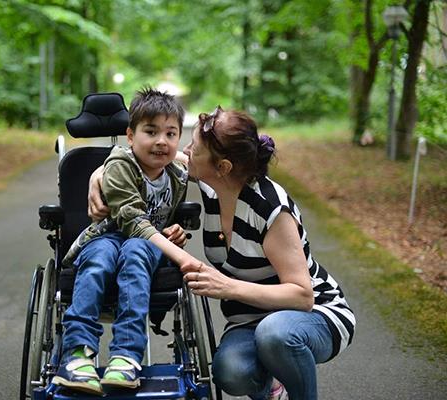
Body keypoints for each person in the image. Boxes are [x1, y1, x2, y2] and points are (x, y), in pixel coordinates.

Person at [88, 106, 356, 400]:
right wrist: (99, 175)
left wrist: (227, 286)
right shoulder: (213, 185)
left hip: (314, 313)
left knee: (275, 335)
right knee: (229, 371)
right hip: (249, 320)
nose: (185, 151)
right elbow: (142, 160)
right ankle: (273, 392)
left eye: (194, 148)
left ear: (223, 167)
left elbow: (302, 296)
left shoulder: (270, 209)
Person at [53, 88, 189, 395]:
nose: (161, 141)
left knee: (137, 251)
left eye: (170, 134)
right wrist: (183, 257)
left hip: (146, 244)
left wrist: (176, 230)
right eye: (150, 132)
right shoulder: (119, 165)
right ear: (130, 136)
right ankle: (77, 354)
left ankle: (126, 355)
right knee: (100, 258)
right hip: (108, 234)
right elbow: (132, 221)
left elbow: (198, 161)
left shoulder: (177, 173)